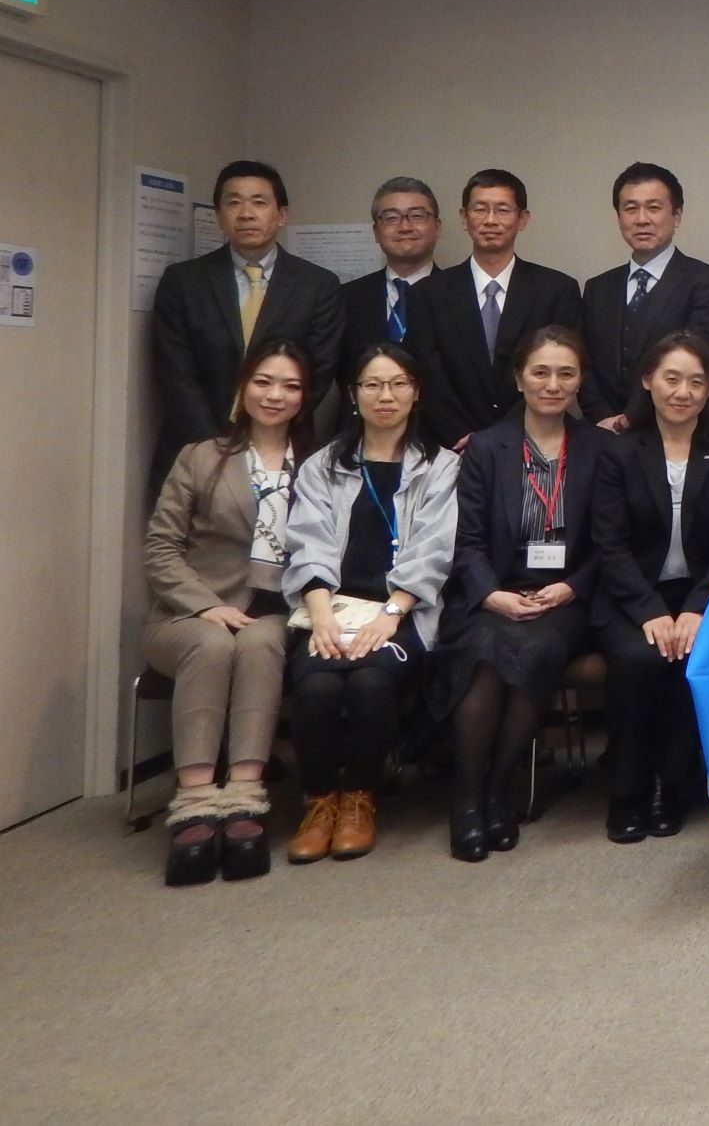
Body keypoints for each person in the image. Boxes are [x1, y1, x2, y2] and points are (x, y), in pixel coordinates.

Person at [140, 337, 316, 886]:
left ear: (304, 397)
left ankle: (244, 794)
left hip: (277, 612)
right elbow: (160, 547)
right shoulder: (201, 456)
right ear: (243, 386)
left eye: (290, 386)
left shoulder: (319, 464)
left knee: (261, 641)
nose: (275, 395)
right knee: (214, 642)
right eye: (264, 381)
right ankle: (195, 801)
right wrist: (206, 605)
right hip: (187, 615)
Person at [434, 327, 610, 863]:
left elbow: (611, 542)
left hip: (567, 599)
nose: (553, 384)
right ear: (519, 379)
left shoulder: (602, 449)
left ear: (580, 381)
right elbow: (466, 542)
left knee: (535, 647)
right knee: (485, 652)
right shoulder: (486, 448)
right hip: (495, 594)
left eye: (565, 373)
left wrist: (571, 586)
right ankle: (467, 800)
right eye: (541, 372)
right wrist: (491, 595)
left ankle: (498, 789)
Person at [279, 344, 458, 863]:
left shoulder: (440, 465)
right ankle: (319, 802)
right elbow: (307, 543)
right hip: (330, 608)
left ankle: (359, 799)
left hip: (402, 611)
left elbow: (435, 549)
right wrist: (320, 618)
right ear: (353, 394)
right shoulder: (322, 465)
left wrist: (391, 614)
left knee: (370, 682)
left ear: (416, 392)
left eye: (399, 384)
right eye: (373, 385)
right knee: (315, 686)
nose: (386, 396)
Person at [591, 333, 709, 842]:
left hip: (702, 595)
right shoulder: (619, 452)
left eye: (696, 382)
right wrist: (650, 611)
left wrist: (696, 609)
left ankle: (673, 788)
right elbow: (609, 545)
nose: (682, 392)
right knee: (638, 661)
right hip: (631, 598)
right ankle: (627, 792)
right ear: (648, 381)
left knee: (692, 658)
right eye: (671, 378)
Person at [150, 161, 344, 489]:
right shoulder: (182, 281)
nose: (246, 214)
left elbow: (319, 372)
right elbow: (175, 373)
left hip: (284, 450)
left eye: (259, 202)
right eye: (233, 202)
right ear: (218, 215)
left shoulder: (318, 285)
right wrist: (215, 451)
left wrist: (267, 434)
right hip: (195, 450)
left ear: (281, 215)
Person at [406, 169, 583, 450]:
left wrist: (503, 437)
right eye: (480, 209)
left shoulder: (557, 290)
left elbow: (559, 371)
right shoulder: (427, 294)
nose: (491, 220)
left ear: (522, 219)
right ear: (464, 218)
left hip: (534, 441)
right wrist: (465, 439)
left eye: (503, 210)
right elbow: (427, 374)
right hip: (450, 445)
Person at [579, 163, 709, 428]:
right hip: (602, 433)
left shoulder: (707, 281)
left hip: (673, 430)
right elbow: (584, 362)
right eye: (630, 208)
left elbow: (699, 363)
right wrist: (601, 417)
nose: (641, 219)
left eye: (653, 207)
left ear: (677, 216)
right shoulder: (598, 287)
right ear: (619, 218)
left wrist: (630, 419)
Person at [338, 178, 440, 385]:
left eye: (417, 216)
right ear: (376, 231)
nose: (405, 227)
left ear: (437, 227)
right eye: (391, 218)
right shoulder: (344, 298)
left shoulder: (463, 296)